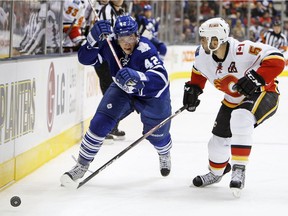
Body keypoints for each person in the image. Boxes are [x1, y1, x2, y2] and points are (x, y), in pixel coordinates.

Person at [60, 15, 172, 185]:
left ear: (137, 35)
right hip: (122, 90)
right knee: (99, 123)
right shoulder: (109, 45)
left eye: (131, 37)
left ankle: (164, 153)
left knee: (157, 136)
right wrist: (91, 39)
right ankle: (81, 165)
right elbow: (85, 59)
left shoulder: (145, 49)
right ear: (116, 37)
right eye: (122, 38)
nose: (127, 42)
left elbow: (161, 78)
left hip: (151, 95)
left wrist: (137, 76)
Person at [182, 17, 285, 197]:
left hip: (264, 92)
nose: (204, 42)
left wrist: (255, 78)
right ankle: (216, 173)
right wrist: (194, 88)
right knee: (216, 143)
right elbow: (198, 71)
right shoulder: (202, 55)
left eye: (208, 39)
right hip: (232, 99)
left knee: (241, 118)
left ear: (219, 39)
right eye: (203, 38)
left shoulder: (242, 49)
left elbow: (277, 59)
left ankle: (239, 169)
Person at [93, 0, 126, 141]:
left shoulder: (121, 11)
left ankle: (112, 126)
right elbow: (108, 35)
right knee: (109, 92)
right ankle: (103, 128)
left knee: (116, 92)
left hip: (115, 57)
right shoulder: (107, 10)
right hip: (105, 57)